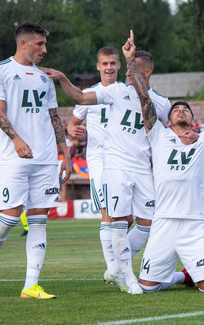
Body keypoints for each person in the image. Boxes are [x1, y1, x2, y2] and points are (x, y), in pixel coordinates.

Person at [44, 47, 195, 294]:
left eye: (130, 67)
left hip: (143, 167)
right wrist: (63, 79)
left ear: (146, 71)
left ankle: (114, 267)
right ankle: (126, 276)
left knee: (147, 222)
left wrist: (193, 137)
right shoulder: (116, 91)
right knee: (116, 221)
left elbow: (172, 130)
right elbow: (81, 99)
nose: (125, 72)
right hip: (115, 165)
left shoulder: (161, 102)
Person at [123, 30, 204, 293]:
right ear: (168, 121)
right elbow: (145, 98)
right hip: (163, 222)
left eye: (186, 109)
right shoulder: (158, 135)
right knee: (147, 288)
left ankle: (192, 275)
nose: (181, 109)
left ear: (193, 120)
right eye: (176, 109)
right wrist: (129, 62)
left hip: (193, 223)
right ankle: (183, 277)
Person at [0, 22, 72, 299]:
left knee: (39, 221)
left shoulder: (46, 77)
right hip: (15, 158)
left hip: (45, 159)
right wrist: (17, 139)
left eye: (45, 44)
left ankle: (30, 285)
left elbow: (54, 117)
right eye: (39, 44)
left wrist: (65, 154)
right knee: (9, 219)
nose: (45, 49)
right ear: (23, 43)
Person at [66, 46, 133, 289]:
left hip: (125, 158)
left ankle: (116, 267)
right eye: (104, 63)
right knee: (109, 216)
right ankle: (116, 269)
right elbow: (71, 125)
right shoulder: (88, 93)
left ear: (119, 65)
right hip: (100, 160)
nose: (109, 67)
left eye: (113, 63)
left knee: (130, 216)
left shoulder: (127, 92)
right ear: (98, 66)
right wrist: (75, 130)